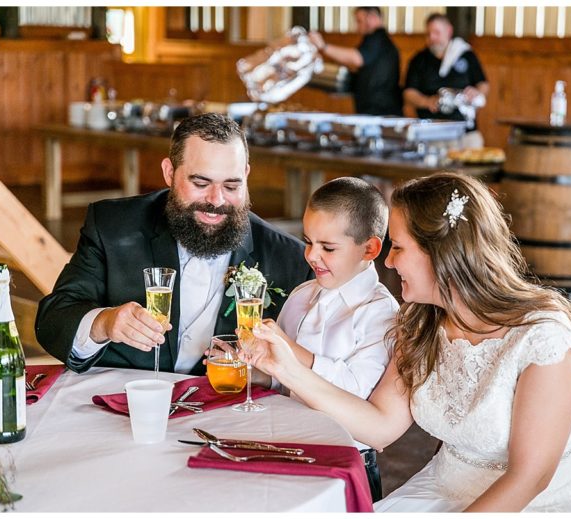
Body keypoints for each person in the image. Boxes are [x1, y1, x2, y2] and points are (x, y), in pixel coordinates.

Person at [247, 172, 571, 512]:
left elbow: (530, 477)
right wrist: (288, 370)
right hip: (445, 489)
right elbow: (380, 427)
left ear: (441, 254)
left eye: (397, 247)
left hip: (542, 502)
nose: (390, 263)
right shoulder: (419, 321)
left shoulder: (541, 337)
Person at [35, 113, 313, 375]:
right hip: (120, 406)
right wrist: (104, 323)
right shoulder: (112, 226)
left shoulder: (290, 259)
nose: (216, 200)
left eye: (231, 186)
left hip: (229, 414)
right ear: (169, 172)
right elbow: (53, 321)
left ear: (246, 175)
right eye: (201, 183)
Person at [261, 176, 399, 502]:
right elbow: (278, 383)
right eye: (308, 241)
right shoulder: (299, 297)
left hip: (347, 466)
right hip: (286, 449)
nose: (311, 255)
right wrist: (252, 363)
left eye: (328, 247)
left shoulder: (381, 314)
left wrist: (291, 353)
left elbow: (356, 395)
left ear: (370, 248)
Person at [404, 13, 489, 145]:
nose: (432, 37)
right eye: (428, 34)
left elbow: (483, 83)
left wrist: (476, 93)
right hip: (431, 133)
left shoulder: (466, 55)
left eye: (436, 33)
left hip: (465, 132)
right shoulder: (419, 60)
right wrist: (426, 101)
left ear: (449, 31)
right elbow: (408, 93)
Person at [309, 7, 403, 116]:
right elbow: (369, 77)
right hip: (373, 111)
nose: (357, 27)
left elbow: (356, 58)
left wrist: (323, 46)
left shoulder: (377, 38)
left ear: (372, 17)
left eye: (359, 21)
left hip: (381, 113)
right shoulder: (375, 41)